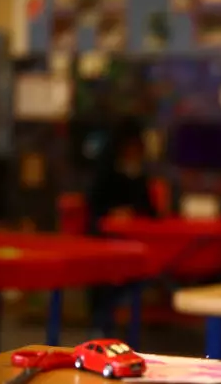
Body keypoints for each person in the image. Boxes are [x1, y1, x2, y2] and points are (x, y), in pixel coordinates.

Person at [86, 117, 157, 337]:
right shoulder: (105, 170)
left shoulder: (138, 172)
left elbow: (150, 211)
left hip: (135, 241)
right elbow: (95, 205)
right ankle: (101, 323)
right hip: (105, 242)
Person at [87, 118, 157, 235]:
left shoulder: (139, 175)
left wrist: (134, 213)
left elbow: (149, 211)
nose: (134, 151)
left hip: (137, 232)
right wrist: (113, 212)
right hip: (107, 233)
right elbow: (95, 205)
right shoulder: (106, 173)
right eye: (131, 146)